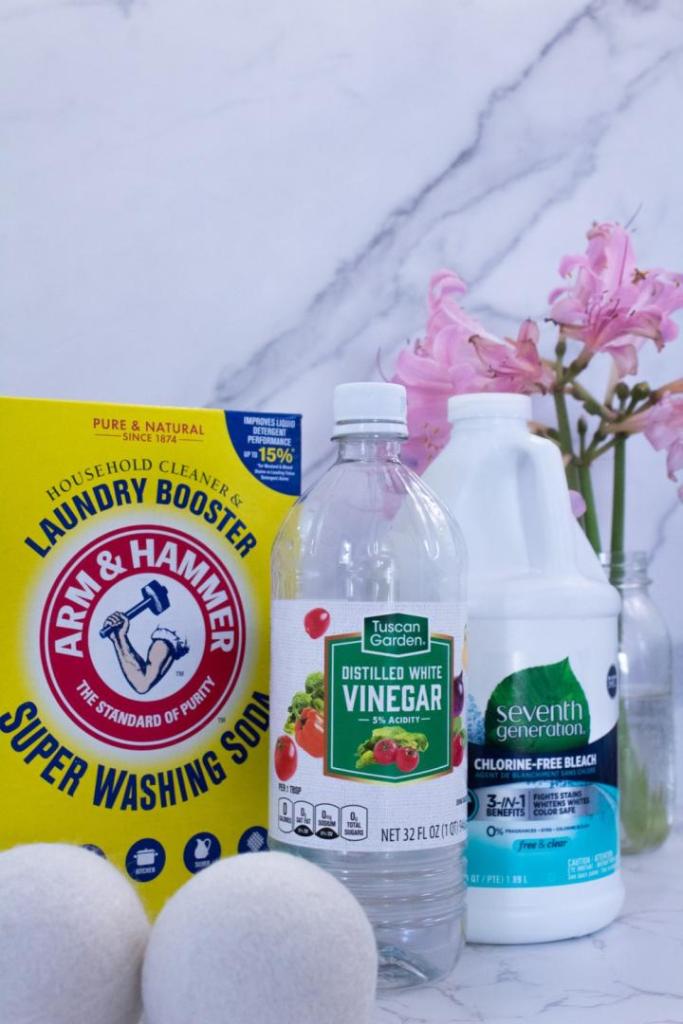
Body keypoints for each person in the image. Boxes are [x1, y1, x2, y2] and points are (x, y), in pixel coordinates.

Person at [101, 611, 189, 695]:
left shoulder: (176, 626)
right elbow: (142, 682)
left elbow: (143, 683)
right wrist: (118, 639)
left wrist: (120, 638)